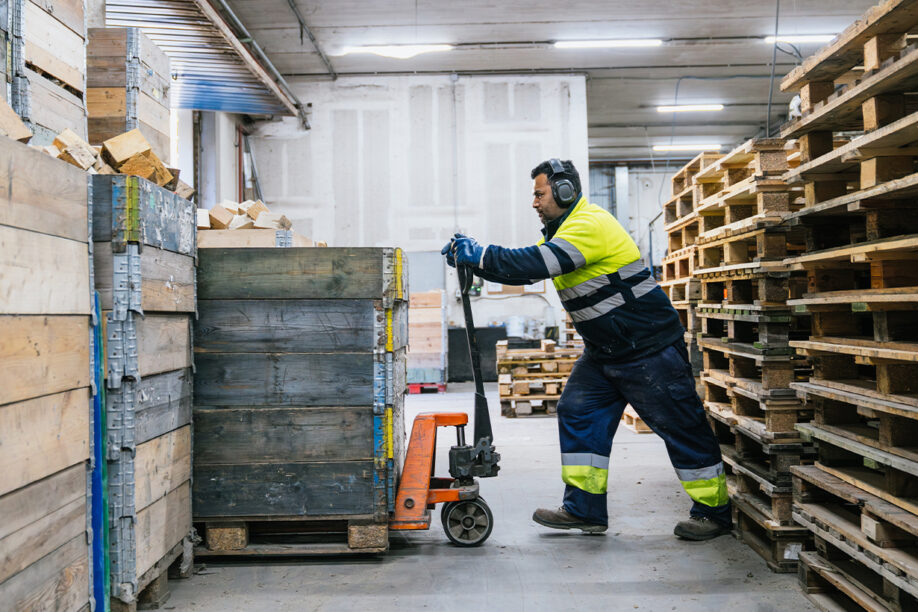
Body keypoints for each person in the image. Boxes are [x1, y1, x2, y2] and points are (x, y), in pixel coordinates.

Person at [440, 158, 731, 540]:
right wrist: (474, 263)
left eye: (539, 193)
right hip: (606, 351)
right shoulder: (562, 231)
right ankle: (585, 509)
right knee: (578, 411)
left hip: (647, 349)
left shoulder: (590, 224)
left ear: (565, 191)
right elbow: (528, 271)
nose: (535, 203)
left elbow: (540, 261)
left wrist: (479, 253)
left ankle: (714, 513)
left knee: (680, 426)